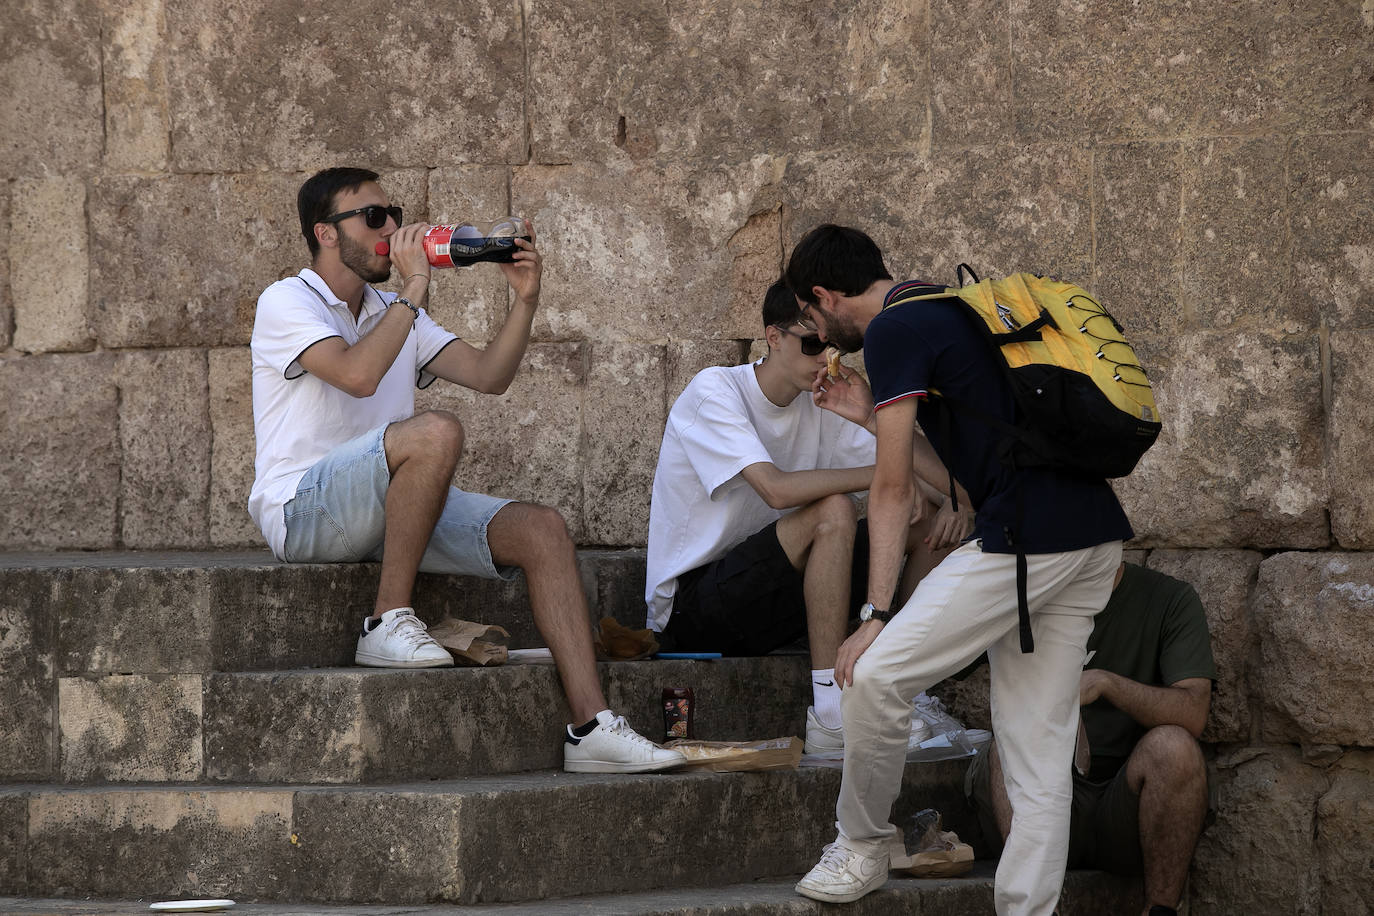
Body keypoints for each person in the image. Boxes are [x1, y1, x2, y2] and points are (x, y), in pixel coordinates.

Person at [249, 166, 683, 775]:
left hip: (384, 505)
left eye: (393, 212)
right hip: (304, 508)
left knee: (543, 530)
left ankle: (591, 728)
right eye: (373, 217)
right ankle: (387, 621)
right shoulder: (286, 301)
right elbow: (357, 374)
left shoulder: (392, 308)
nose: (392, 227)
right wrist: (416, 285)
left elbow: (489, 375)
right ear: (326, 233)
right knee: (436, 432)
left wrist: (524, 299)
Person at [783, 225, 1134, 915]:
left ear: (824, 296)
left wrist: (875, 615)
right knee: (1038, 761)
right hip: (1090, 538)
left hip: (1027, 545)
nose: (819, 337)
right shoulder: (953, 307)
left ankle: (861, 846)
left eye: (811, 321)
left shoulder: (892, 334)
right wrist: (865, 414)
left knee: (875, 675)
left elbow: (889, 491)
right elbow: (964, 486)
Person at [645, 280, 973, 755]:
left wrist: (869, 418)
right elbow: (775, 489)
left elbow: (946, 487)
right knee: (835, 510)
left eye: (833, 345)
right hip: (695, 608)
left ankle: (908, 691)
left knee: (923, 523)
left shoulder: (823, 398)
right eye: (813, 343)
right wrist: (885, 471)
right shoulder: (715, 390)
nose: (826, 357)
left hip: (780, 592)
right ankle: (829, 714)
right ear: (772, 337)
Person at [966, 562, 1215, 916]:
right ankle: (1029, 905)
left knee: (1175, 749)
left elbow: (1193, 712)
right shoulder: (1022, 592)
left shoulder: (1168, 598)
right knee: (1004, 751)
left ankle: (1160, 909)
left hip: (1125, 802)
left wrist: (1108, 685)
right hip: (1039, 789)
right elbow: (939, 652)